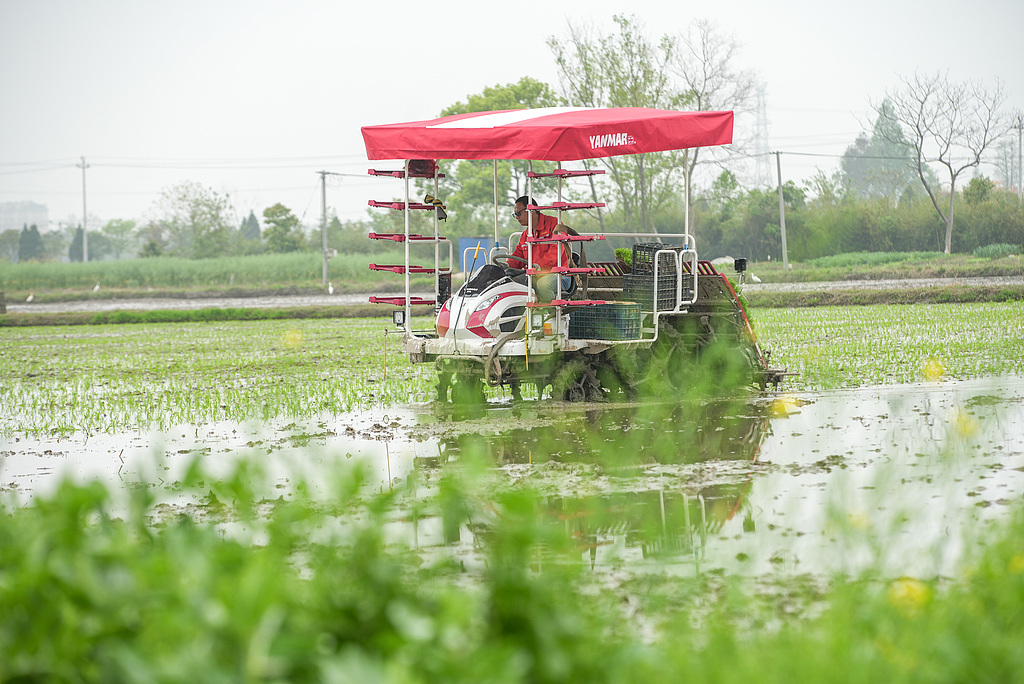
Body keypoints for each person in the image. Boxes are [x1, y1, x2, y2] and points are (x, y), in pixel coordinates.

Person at [505, 196, 576, 301]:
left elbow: (556, 252)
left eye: (518, 213)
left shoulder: (555, 225)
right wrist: (506, 265)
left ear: (531, 210)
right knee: (510, 284)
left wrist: (539, 266)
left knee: (543, 285)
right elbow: (518, 256)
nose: (517, 217)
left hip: (560, 275)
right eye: (515, 214)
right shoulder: (526, 235)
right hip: (535, 275)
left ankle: (550, 314)